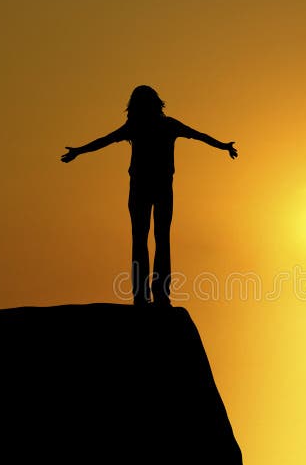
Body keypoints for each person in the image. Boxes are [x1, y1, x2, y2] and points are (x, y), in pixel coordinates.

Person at [61, 85, 237, 306]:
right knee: (158, 239)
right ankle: (155, 294)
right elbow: (198, 135)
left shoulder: (144, 126)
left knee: (144, 240)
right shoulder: (159, 126)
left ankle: (145, 295)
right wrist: (222, 146)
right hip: (154, 188)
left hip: (148, 189)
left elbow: (105, 140)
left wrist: (222, 146)